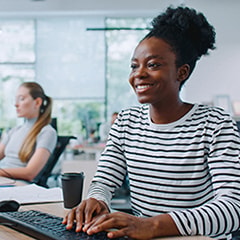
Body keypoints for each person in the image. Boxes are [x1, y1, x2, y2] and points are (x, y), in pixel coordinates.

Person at [63, 6, 240, 240]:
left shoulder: (215, 125)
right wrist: (97, 199)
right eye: (134, 65)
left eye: (153, 65)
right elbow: (104, 180)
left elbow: (233, 208)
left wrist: (153, 225)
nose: (139, 74)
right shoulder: (126, 122)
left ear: (182, 72)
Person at [0, 82, 57, 181]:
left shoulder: (47, 132)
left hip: (17, 183)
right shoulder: (14, 131)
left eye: (21, 99)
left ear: (37, 102)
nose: (16, 104)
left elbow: (30, 173)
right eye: (16, 99)